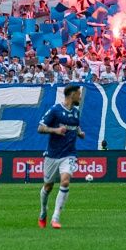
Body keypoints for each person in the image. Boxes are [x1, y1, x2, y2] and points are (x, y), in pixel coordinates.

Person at [37, 84, 84, 229]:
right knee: (48, 186)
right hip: (52, 154)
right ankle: (43, 211)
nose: (80, 97)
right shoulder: (55, 110)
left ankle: (55, 217)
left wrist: (79, 133)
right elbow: (40, 128)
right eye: (78, 94)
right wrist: (55, 130)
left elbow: (75, 127)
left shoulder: (76, 113)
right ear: (72, 95)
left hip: (69, 154)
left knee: (65, 181)